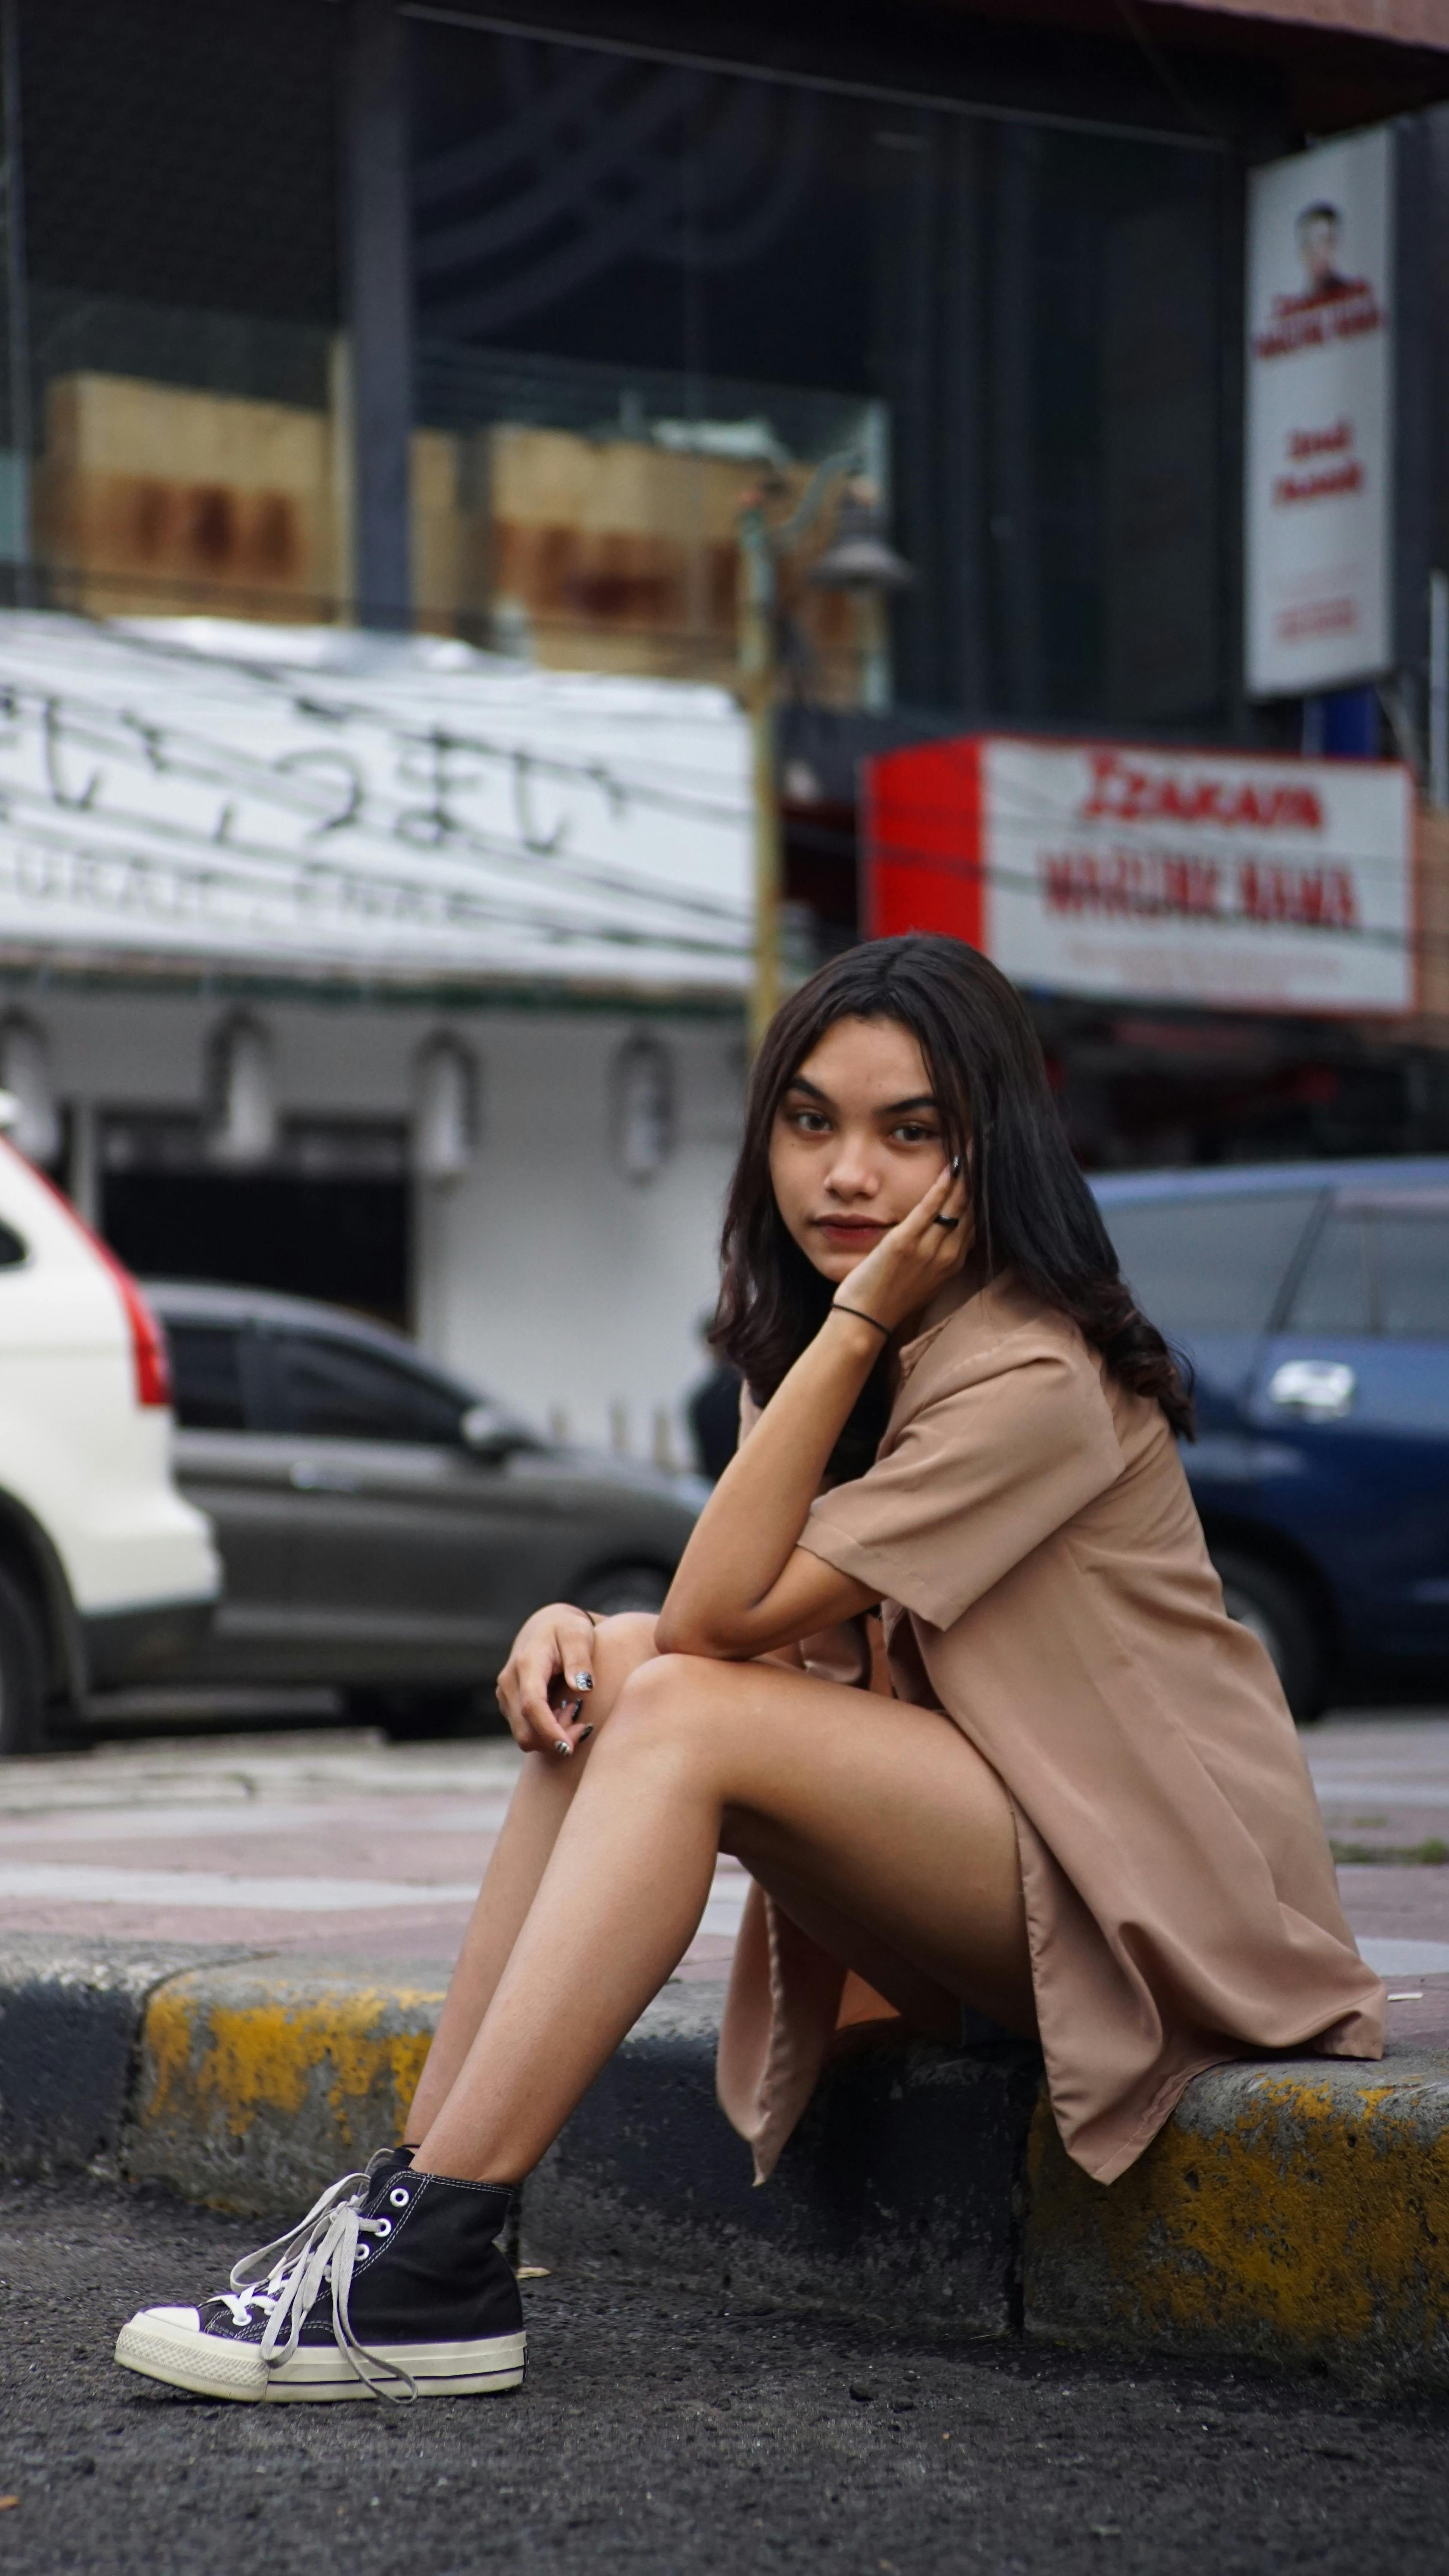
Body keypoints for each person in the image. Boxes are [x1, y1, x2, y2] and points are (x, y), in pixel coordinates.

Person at [115, 935, 1385, 2405]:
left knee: (679, 1697)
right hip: (1013, 1848)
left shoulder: (1026, 1374)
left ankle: (434, 2244)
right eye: (811, 1123)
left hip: (1165, 1894)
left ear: (989, 1156)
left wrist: (844, 1335)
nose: (849, 1174)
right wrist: (576, 1630)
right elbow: (731, 1632)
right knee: (614, 1681)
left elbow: (716, 1626)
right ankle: (421, 2206)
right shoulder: (828, 1361)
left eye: (911, 1132)